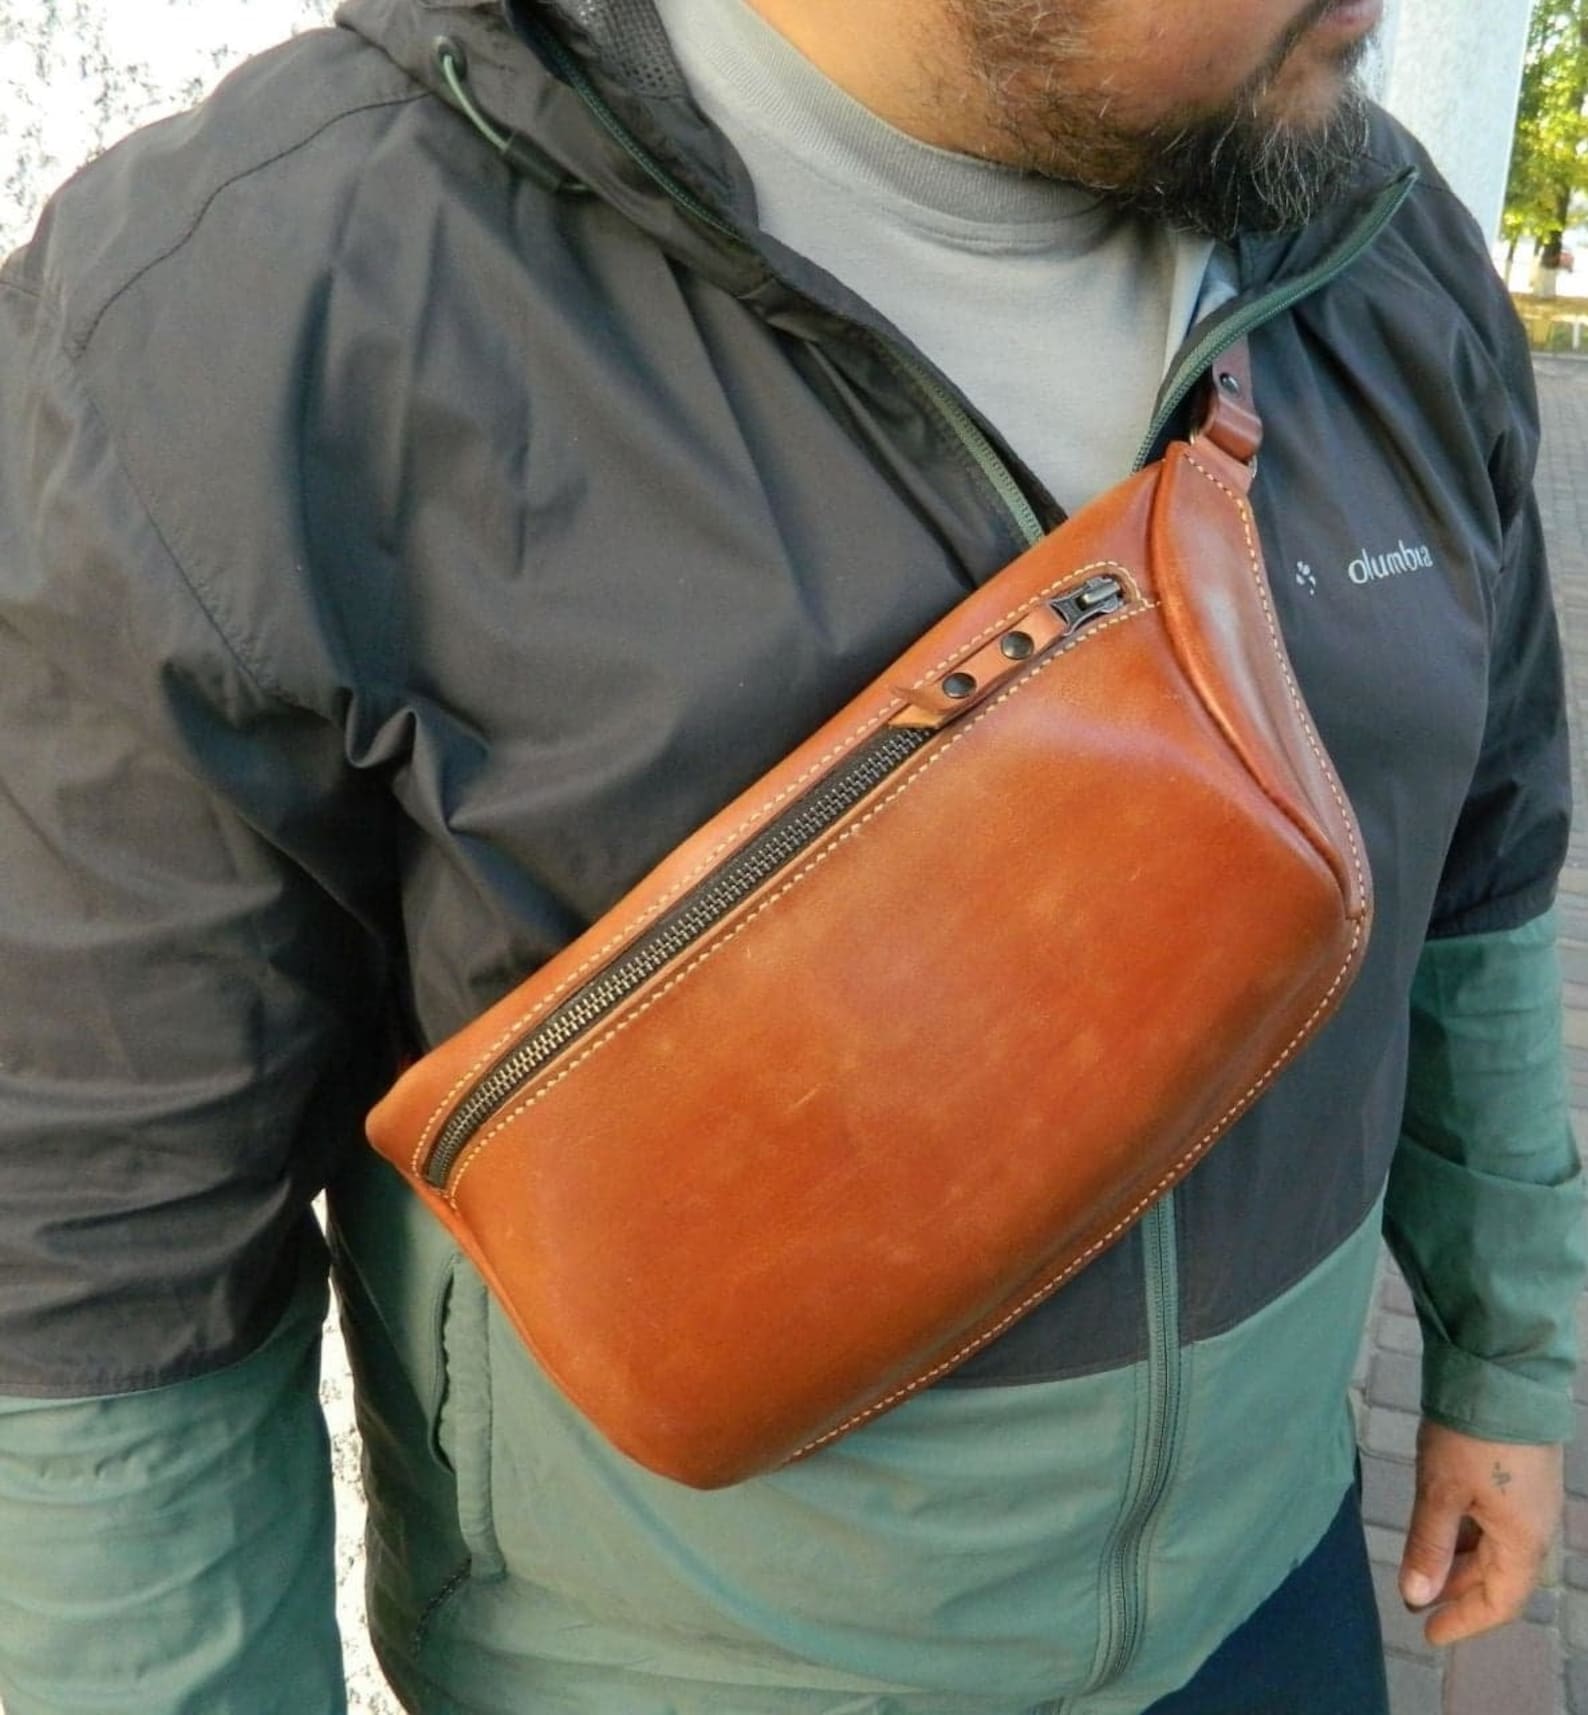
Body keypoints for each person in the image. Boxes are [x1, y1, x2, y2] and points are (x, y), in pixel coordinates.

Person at [0, 1, 1581, 1710]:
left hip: (1269, 1598)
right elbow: (104, 1261)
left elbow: (1480, 862)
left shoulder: (1378, 240)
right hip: (670, 1675)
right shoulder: (257, 308)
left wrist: (1510, 1359)